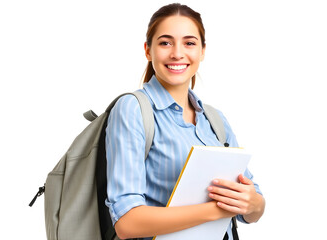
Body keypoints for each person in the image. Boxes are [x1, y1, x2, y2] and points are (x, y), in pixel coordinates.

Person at [105, 3, 265, 240]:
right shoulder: (132, 110)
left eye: (189, 43)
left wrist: (253, 204)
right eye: (165, 42)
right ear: (148, 50)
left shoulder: (214, 119)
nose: (177, 53)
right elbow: (127, 222)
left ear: (202, 51)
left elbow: (253, 210)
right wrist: (215, 210)